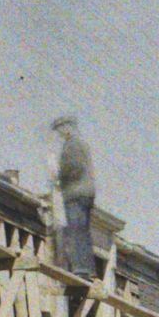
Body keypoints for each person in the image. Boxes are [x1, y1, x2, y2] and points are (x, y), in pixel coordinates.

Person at [49, 115, 97, 278]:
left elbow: (73, 167)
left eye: (60, 130)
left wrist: (59, 176)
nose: (60, 134)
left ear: (68, 127)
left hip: (75, 192)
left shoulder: (72, 145)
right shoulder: (81, 144)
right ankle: (87, 268)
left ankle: (82, 268)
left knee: (76, 229)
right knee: (82, 231)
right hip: (85, 192)